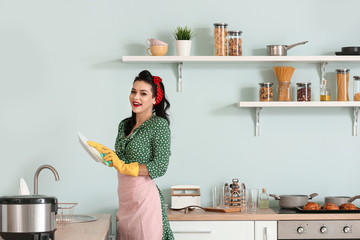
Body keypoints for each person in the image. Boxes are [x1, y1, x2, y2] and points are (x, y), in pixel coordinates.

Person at [88, 70, 174, 240]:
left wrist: (126, 167)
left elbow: (160, 166)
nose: (136, 97)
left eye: (143, 93)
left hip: (145, 201)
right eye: (133, 91)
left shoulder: (159, 126)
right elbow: (119, 158)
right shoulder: (124, 125)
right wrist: (105, 156)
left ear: (155, 99)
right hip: (125, 201)